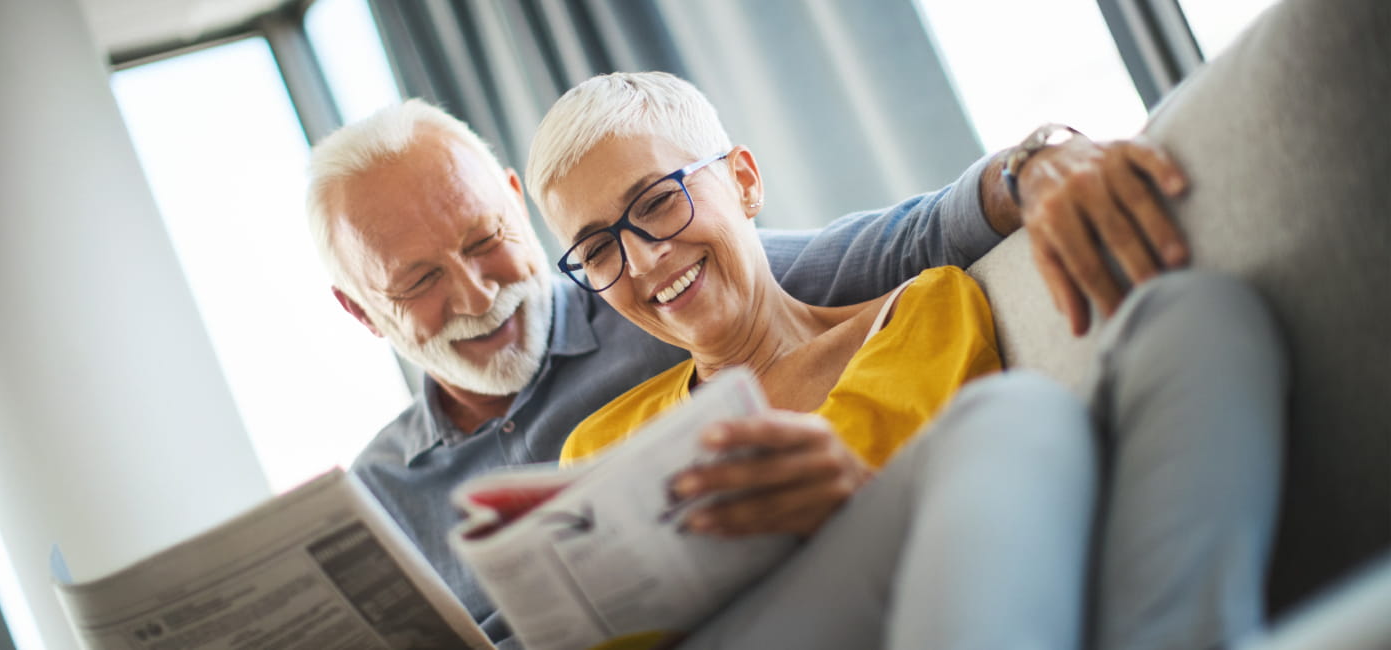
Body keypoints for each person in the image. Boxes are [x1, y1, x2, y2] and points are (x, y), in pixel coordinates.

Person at [304, 93, 1186, 643]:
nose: (474, 291)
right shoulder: (378, 494)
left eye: (486, 242)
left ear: (510, 205)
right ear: (360, 310)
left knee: (1182, 326)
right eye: (418, 280)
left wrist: (1039, 157)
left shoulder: (699, 295)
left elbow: (921, 234)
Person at [526, 71, 1285, 649]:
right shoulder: (597, 450)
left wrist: (852, 501)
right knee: (1010, 416)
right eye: (597, 248)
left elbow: (997, 529)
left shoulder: (926, 312)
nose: (644, 257)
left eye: (658, 200)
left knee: (1200, 313)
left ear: (745, 182)